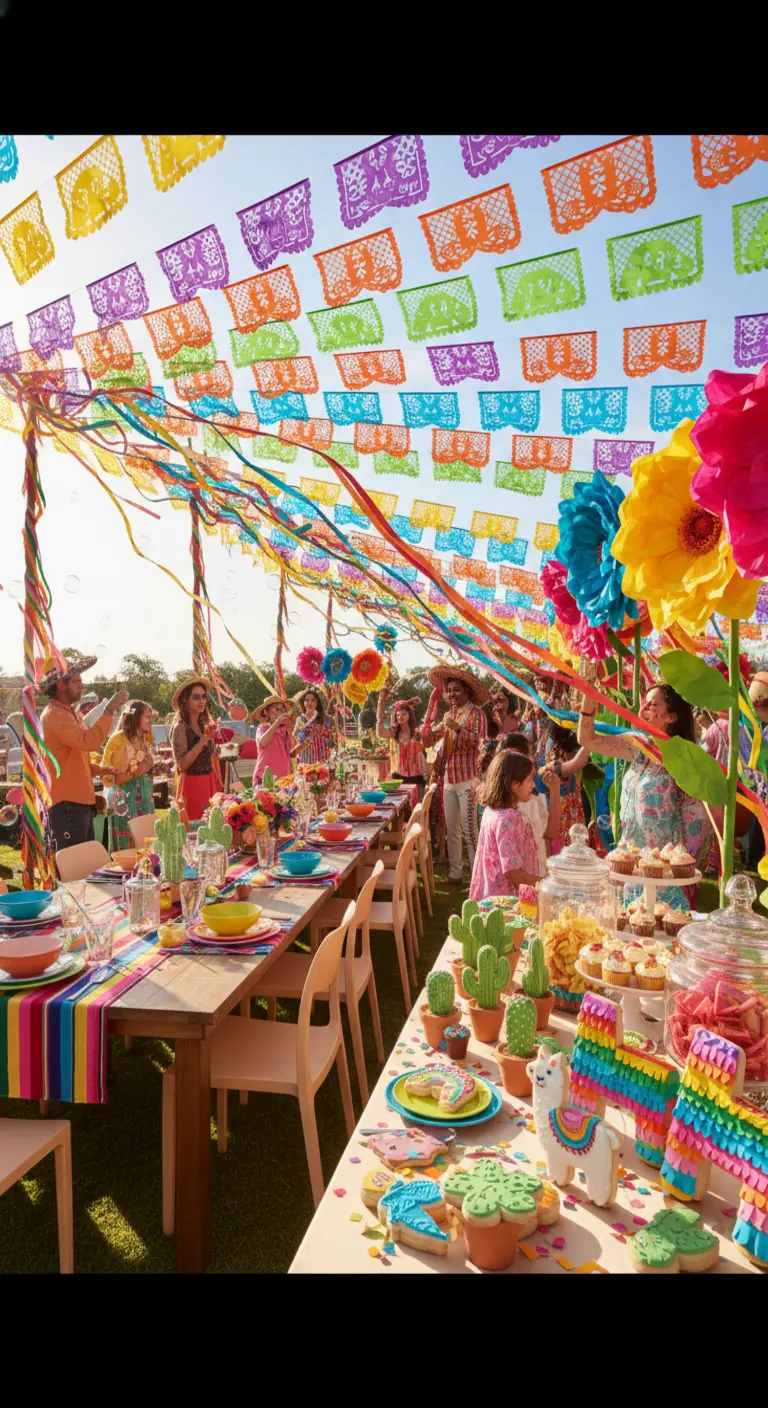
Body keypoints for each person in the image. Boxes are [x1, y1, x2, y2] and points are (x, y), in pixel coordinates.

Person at [577, 680, 712, 900]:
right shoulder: (637, 747)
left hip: (665, 876)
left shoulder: (686, 760)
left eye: (653, 704)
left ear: (671, 717)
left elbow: (698, 821)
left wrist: (679, 867)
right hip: (631, 866)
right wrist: (588, 696)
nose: (644, 708)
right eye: (645, 702)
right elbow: (587, 739)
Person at [40, 654, 128, 852]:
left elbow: (70, 756)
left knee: (84, 864)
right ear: (60, 685)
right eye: (75, 681)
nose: (81, 685)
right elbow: (88, 741)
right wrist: (108, 709)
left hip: (77, 802)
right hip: (68, 804)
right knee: (75, 864)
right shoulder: (55, 715)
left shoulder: (67, 712)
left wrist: (94, 769)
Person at [421, 664, 488, 885]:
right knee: (451, 829)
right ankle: (456, 872)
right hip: (449, 779)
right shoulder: (448, 715)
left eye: (456, 689)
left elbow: (480, 743)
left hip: (468, 779)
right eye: (449, 690)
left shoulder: (476, 714)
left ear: (467, 691)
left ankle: (478, 876)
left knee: (470, 829)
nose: (452, 694)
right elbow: (432, 738)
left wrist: (458, 728)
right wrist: (426, 731)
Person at [480, 731, 562, 874]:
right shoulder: (518, 806)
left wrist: (554, 790)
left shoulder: (495, 805)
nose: (532, 783)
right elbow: (550, 832)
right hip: (524, 879)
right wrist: (555, 790)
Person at [469, 749, 541, 901]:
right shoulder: (508, 819)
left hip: (490, 897)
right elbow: (513, 874)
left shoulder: (492, 811)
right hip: (506, 903)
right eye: (530, 780)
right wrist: (545, 884)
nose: (533, 785)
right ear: (514, 784)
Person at [99, 699, 156, 851]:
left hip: (144, 799)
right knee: (127, 849)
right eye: (147, 717)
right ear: (135, 717)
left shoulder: (147, 738)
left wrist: (148, 768)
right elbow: (109, 779)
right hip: (124, 801)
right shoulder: (117, 740)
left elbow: (147, 769)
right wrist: (135, 772)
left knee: (146, 845)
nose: (151, 721)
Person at [170, 677, 222, 822]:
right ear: (185, 701)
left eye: (204, 696)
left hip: (209, 782)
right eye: (196, 697)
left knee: (213, 827)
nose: (202, 701)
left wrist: (214, 749)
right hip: (192, 786)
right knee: (195, 829)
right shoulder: (180, 727)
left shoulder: (203, 725)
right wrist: (203, 740)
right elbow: (182, 764)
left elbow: (205, 756)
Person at [536, 720, 591, 853]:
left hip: (572, 829)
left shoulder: (563, 768)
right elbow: (580, 761)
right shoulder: (554, 768)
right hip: (561, 831)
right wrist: (590, 739)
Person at [377, 682, 427, 798]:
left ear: (410, 715)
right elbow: (380, 731)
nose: (400, 717)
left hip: (417, 780)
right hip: (397, 780)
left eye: (404, 714)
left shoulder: (417, 734)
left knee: (417, 808)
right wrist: (381, 701)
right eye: (398, 715)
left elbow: (425, 754)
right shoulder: (393, 734)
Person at [251, 695, 294, 784]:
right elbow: (263, 742)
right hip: (264, 778)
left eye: (282, 709)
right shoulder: (262, 728)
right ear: (266, 712)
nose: (280, 712)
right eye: (276, 709)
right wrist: (278, 722)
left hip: (284, 779)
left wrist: (291, 728)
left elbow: (294, 750)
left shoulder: (286, 730)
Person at [291, 688, 334, 764]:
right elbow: (295, 739)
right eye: (307, 700)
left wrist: (322, 731)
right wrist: (306, 735)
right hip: (305, 760)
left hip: (323, 760)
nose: (309, 703)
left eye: (313, 700)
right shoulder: (300, 719)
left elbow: (332, 738)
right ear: (303, 702)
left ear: (317, 703)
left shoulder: (326, 719)